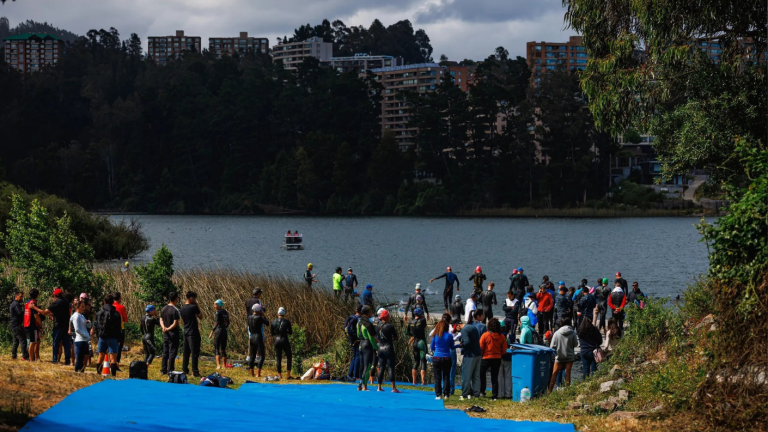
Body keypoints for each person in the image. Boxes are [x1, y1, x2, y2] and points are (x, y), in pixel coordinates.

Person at [94, 294, 122, 376]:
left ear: (104, 302)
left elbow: (96, 325)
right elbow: (118, 327)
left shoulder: (99, 313)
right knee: (113, 358)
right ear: (113, 302)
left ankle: (98, 374)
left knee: (100, 356)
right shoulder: (116, 314)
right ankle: (113, 375)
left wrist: (98, 335)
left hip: (102, 337)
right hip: (113, 337)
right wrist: (119, 338)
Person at [480, 318, 507, 401]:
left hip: (486, 357)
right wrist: (500, 354)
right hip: (497, 358)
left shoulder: (485, 335)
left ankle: (482, 391)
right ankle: (495, 394)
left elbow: (481, 346)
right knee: (494, 377)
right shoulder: (502, 336)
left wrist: (482, 354)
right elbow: (504, 349)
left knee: (482, 374)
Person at [548, 317, 578, 393]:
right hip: (570, 356)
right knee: (567, 374)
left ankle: (549, 391)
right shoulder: (573, 333)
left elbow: (552, 346)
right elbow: (575, 344)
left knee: (554, 374)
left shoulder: (557, 333)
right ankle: (567, 392)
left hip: (559, 357)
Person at [375, 309, 400, 393]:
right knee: (390, 367)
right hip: (388, 348)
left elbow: (377, 337)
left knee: (381, 367)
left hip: (380, 348)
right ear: (387, 317)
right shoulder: (390, 326)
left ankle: (379, 387)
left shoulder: (377, 326)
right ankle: (393, 388)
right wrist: (392, 338)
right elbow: (396, 337)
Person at [430, 314, 454, 399]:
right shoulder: (449, 336)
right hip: (447, 357)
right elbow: (452, 347)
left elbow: (432, 347)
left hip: (436, 357)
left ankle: (438, 395)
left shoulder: (435, 336)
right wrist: (459, 346)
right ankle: (446, 394)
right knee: (446, 376)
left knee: (437, 377)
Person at [180, 291, 203, 377]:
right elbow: (200, 316)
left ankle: (185, 369)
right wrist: (197, 306)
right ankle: (195, 371)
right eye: (194, 298)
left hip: (185, 331)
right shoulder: (194, 307)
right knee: (195, 352)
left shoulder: (182, 308)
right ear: (191, 298)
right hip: (193, 332)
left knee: (186, 352)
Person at [24, 288, 49, 362]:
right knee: (33, 342)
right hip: (32, 325)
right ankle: (31, 359)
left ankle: (34, 358)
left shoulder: (27, 302)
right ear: (37, 295)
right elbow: (36, 316)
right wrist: (40, 324)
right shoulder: (33, 303)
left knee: (34, 341)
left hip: (27, 324)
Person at [459, 317, 482, 400]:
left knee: (466, 375)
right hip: (478, 354)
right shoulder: (473, 327)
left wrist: (461, 344)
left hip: (470, 355)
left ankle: (465, 394)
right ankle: (476, 394)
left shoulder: (464, 330)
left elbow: (467, 342)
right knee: (476, 375)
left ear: (458, 325)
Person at [159, 292, 181, 375]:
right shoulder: (175, 310)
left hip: (165, 334)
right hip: (173, 334)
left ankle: (163, 369)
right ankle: (170, 369)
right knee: (172, 352)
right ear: (176, 299)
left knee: (165, 351)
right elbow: (175, 323)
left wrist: (163, 327)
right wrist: (168, 328)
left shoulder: (164, 308)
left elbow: (161, 319)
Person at [356, 306, 378, 391]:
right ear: (368, 313)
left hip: (361, 344)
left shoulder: (359, 322)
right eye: (371, 311)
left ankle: (360, 385)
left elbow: (358, 335)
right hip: (367, 345)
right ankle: (365, 386)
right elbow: (371, 338)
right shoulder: (368, 324)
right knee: (367, 366)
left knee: (361, 366)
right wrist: (376, 347)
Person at [407, 308, 428, 385]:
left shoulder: (410, 322)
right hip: (421, 342)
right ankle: (423, 381)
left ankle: (414, 381)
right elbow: (425, 327)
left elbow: (407, 332)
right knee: (423, 361)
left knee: (416, 361)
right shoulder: (422, 320)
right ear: (420, 314)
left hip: (415, 342)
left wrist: (413, 335)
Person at [247, 304, 270, 377]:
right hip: (258, 337)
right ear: (259, 310)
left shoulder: (249, 317)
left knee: (252, 356)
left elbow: (250, 329)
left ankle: (252, 373)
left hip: (252, 337)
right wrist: (264, 315)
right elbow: (267, 323)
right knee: (261, 356)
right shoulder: (259, 317)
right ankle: (258, 373)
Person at [271, 307, 293, 379]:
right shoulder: (287, 322)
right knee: (289, 356)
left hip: (277, 340)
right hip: (284, 340)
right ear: (284, 314)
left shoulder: (273, 322)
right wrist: (285, 331)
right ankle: (288, 375)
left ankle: (280, 375)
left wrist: (277, 332)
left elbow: (272, 333)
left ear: (277, 313)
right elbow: (290, 332)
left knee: (278, 358)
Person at [343, 305, 363, 381]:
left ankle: (350, 374)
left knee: (354, 357)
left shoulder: (351, 317)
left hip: (352, 339)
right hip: (357, 339)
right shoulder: (359, 319)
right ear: (361, 311)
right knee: (358, 356)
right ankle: (356, 375)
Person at [209, 299, 230, 370]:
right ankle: (224, 365)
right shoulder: (225, 312)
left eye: (215, 304)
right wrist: (225, 327)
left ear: (218, 305)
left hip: (218, 331)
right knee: (223, 349)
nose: (214, 306)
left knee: (217, 348)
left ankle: (218, 365)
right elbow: (228, 322)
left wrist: (212, 331)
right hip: (224, 330)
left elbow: (216, 323)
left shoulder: (218, 313)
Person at [70, 299, 90, 372]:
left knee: (85, 357)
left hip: (85, 339)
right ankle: (77, 371)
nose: (84, 308)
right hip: (80, 340)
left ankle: (81, 371)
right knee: (79, 358)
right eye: (82, 306)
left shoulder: (81, 316)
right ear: (77, 307)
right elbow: (77, 329)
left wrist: (88, 323)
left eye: (84, 306)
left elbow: (87, 325)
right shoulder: (76, 316)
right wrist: (85, 335)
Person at [9, 291, 28, 361]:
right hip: (17, 325)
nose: (21, 298)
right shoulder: (16, 304)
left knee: (16, 341)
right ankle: (24, 356)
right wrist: (26, 309)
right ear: (16, 296)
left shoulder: (13, 304)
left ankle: (14, 356)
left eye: (22, 297)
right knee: (23, 340)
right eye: (20, 296)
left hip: (13, 325)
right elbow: (20, 313)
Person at [112, 292, 129, 367]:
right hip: (120, 328)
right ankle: (116, 363)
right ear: (119, 298)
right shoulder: (121, 307)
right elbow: (125, 319)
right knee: (119, 346)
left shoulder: (109, 306)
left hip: (110, 329)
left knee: (111, 346)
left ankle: (111, 362)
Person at [498, 323, 513, 399]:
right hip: (508, 357)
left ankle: (499, 394)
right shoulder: (508, 335)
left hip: (499, 357)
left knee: (499, 376)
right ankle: (508, 394)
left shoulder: (498, 336)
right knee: (508, 376)